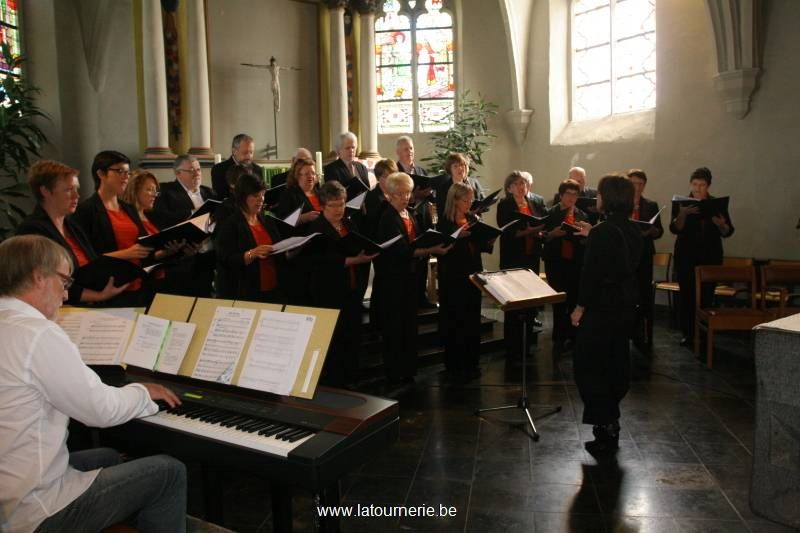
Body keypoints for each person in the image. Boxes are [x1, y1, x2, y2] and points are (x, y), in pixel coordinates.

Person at [0, 234, 186, 533]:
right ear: (38, 278)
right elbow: (100, 411)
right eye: (64, 282)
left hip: (9, 495)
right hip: (34, 510)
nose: (65, 295)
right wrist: (142, 391)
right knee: (169, 472)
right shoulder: (37, 334)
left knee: (108, 457)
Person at [570, 175, 642, 456]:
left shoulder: (602, 232)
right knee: (616, 361)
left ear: (608, 198)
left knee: (589, 366)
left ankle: (605, 424)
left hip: (601, 307)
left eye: (599, 194)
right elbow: (622, 261)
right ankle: (611, 422)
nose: (596, 198)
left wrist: (579, 308)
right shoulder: (633, 229)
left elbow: (591, 276)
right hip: (625, 305)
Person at [15, 160, 128, 305]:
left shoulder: (72, 226)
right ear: (45, 191)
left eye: (77, 189)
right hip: (60, 308)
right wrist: (97, 296)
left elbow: (92, 265)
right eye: (69, 190)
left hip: (89, 304)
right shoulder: (32, 231)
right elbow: (45, 282)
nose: (77, 196)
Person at [374, 172, 450, 385]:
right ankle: (395, 372)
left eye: (408, 192)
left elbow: (415, 241)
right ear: (389, 195)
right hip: (393, 280)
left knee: (409, 326)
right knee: (395, 327)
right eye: (400, 194)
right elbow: (401, 251)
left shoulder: (409, 213)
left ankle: (408, 369)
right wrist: (430, 248)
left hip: (410, 278)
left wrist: (428, 245)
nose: (406, 197)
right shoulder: (387, 217)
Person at [306, 181, 376, 387]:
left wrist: (364, 254)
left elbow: (358, 244)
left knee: (352, 335)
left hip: (352, 289)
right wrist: (355, 260)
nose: (339, 209)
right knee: (334, 340)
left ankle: (351, 376)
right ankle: (335, 382)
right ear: (322, 206)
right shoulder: (317, 228)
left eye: (342, 204)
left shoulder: (348, 223)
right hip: (329, 292)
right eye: (333, 205)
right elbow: (324, 261)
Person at [73, 151, 155, 307]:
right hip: (109, 288)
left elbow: (143, 245)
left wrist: (167, 250)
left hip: (139, 284)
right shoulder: (86, 210)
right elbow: (85, 259)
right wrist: (125, 254)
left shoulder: (128, 208)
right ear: (101, 174)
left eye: (127, 172)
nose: (126, 177)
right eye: (120, 171)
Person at [669, 167, 734, 346]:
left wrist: (721, 225)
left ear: (708, 186)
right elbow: (675, 228)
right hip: (686, 257)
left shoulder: (716, 204)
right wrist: (683, 214)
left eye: (702, 185)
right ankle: (688, 334)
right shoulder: (681, 202)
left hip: (710, 257)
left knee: (706, 296)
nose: (698, 188)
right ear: (690, 183)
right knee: (687, 295)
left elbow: (728, 231)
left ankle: (704, 334)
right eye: (695, 184)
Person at [437, 182, 491, 381]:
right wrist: (457, 236)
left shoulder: (473, 218)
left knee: (471, 316)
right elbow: (441, 245)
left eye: (471, 199)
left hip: (472, 273)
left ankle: (471, 360)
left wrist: (488, 239)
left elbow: (480, 244)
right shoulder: (444, 221)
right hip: (453, 275)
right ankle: (455, 362)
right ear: (455, 200)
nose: (469, 204)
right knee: (455, 317)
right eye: (465, 200)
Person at [496, 170, 547, 358]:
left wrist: (540, 231)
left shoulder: (535, 203)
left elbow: (545, 222)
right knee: (514, 303)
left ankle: (528, 342)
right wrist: (530, 231)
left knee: (530, 300)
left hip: (531, 256)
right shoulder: (505, 205)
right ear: (509, 188)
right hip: (513, 257)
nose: (521, 187)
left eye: (524, 183)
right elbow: (507, 232)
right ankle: (513, 345)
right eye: (517, 184)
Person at [151, 155, 217, 297]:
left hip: (207, 258)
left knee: (205, 301)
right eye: (191, 170)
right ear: (178, 173)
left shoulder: (209, 192)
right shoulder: (166, 191)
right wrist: (192, 213)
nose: (197, 173)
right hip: (181, 260)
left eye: (199, 169)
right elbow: (161, 218)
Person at [214, 173, 284, 302]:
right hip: (245, 290)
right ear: (243, 198)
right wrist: (252, 253)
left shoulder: (267, 220)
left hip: (272, 287)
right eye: (255, 196)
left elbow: (279, 248)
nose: (261, 199)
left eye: (263, 194)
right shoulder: (231, 223)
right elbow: (224, 259)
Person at [542, 179, 591, 351]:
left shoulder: (582, 215)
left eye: (575, 194)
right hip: (556, 261)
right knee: (559, 300)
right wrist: (552, 234)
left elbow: (588, 239)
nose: (572, 198)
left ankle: (573, 335)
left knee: (574, 300)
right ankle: (558, 337)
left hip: (576, 262)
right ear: (561, 195)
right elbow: (542, 235)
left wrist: (585, 237)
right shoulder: (550, 213)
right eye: (568, 194)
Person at [396, 135, 436, 308]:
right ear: (398, 152)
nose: (409, 151)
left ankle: (421, 295)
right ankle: (408, 297)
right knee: (408, 258)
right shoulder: (395, 172)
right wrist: (415, 195)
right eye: (405, 149)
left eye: (411, 148)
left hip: (422, 219)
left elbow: (431, 195)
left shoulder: (421, 171)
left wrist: (430, 192)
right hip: (403, 219)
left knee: (423, 259)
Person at [627, 169, 664, 352]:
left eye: (640, 184)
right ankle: (627, 331)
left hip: (644, 254)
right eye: (633, 183)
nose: (637, 187)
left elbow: (659, 230)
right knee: (627, 294)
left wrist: (652, 231)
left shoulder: (650, 204)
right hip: (625, 255)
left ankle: (643, 334)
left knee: (644, 294)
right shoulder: (622, 204)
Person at [211, 134, 264, 200]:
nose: (249, 157)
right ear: (234, 151)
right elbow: (220, 198)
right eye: (245, 153)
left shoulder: (257, 169)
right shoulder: (219, 169)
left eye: (251, 152)